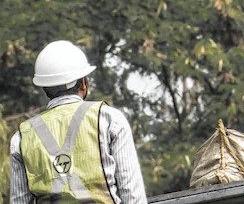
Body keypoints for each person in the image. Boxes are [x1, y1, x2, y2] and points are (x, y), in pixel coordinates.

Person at [9, 40, 147, 204]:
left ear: (45, 88)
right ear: (83, 83)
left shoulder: (22, 138)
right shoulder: (109, 120)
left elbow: (19, 201)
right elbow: (133, 196)